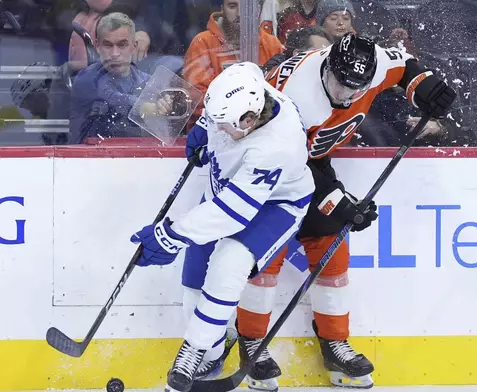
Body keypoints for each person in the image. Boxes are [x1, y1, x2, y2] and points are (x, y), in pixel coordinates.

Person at [190, 33, 455, 391]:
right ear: (327, 64)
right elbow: (289, 163)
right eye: (340, 85)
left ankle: (334, 343)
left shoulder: (372, 66)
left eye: (356, 89)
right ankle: (252, 342)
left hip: (309, 163)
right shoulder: (300, 96)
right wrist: (336, 201)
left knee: (332, 248)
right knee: (265, 255)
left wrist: (423, 85)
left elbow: (404, 65)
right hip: (262, 166)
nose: (346, 95)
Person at [130, 61, 315, 392]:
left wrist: (169, 236)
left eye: (223, 125)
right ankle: (213, 353)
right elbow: (245, 67)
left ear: (248, 120)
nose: (220, 130)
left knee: (229, 261)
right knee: (193, 289)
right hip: (227, 191)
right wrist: (204, 125)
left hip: (276, 206)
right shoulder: (245, 84)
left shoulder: (277, 146)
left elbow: (233, 213)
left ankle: (194, 348)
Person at [183, 0, 284, 128]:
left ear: (257, 10)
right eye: (232, 6)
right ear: (222, 8)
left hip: (263, 125)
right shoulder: (203, 43)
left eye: (246, 8)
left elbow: (281, 90)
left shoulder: (272, 44)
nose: (240, 14)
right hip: (214, 127)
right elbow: (196, 97)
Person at [69, 12, 158, 143]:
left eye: (122, 45)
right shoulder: (86, 79)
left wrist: (165, 102)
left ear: (134, 46)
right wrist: (141, 106)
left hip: (139, 158)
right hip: (90, 159)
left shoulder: (148, 81)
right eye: (108, 45)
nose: (115, 53)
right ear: (97, 46)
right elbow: (110, 97)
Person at [261, 25, 333, 74]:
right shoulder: (276, 77)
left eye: (328, 53)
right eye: (319, 53)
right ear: (297, 54)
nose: (325, 58)